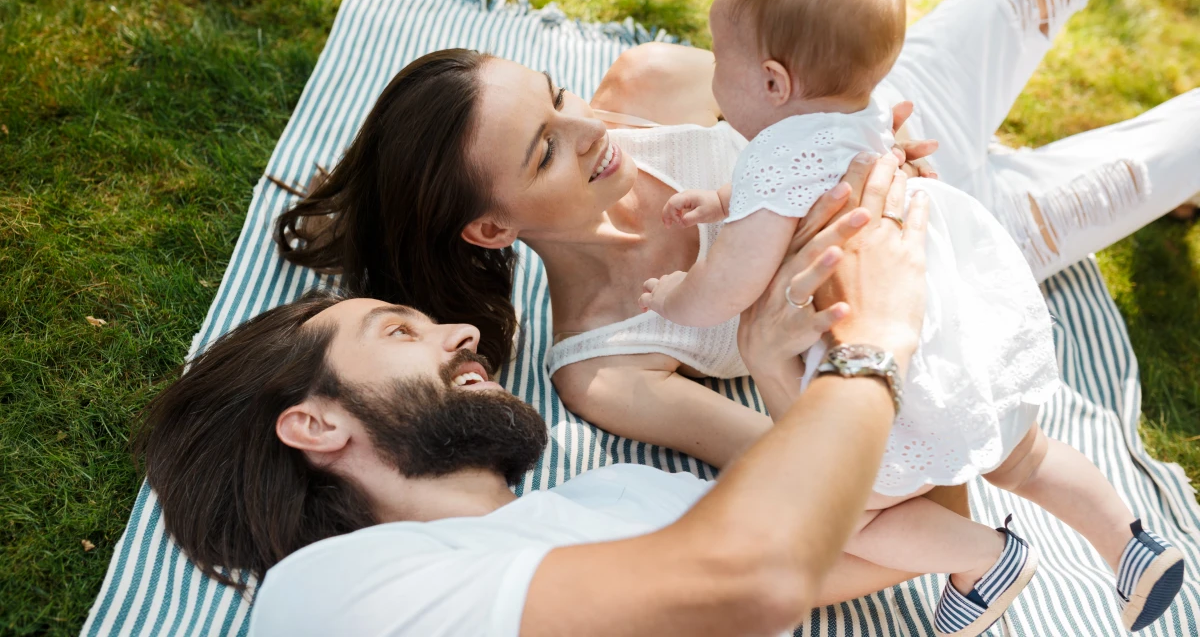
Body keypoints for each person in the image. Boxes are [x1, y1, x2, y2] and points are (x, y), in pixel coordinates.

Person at [274, 0, 1200, 480]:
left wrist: (884, 130)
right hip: (962, 243)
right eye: (546, 151)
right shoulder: (604, 364)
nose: (592, 129)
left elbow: (795, 88)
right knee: (1180, 149)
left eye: (557, 98)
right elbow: (798, 467)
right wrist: (766, 349)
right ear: (489, 230)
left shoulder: (638, 88)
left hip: (906, 106)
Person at [638, 0, 1183, 635]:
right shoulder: (858, 110)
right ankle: (1131, 545)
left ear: (774, 82)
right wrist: (725, 200)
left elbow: (731, 282)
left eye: (719, 58)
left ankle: (986, 559)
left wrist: (677, 294)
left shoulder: (776, 154)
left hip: (895, 371)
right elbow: (799, 184)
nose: (713, 72)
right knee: (1026, 454)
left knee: (846, 513)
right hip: (958, 323)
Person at [141, 166, 937, 635]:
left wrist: (784, 366)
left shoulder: (621, 494)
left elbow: (898, 529)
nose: (460, 333)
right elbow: (751, 576)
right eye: (397, 332)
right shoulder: (326, 593)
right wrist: (872, 348)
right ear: (316, 423)